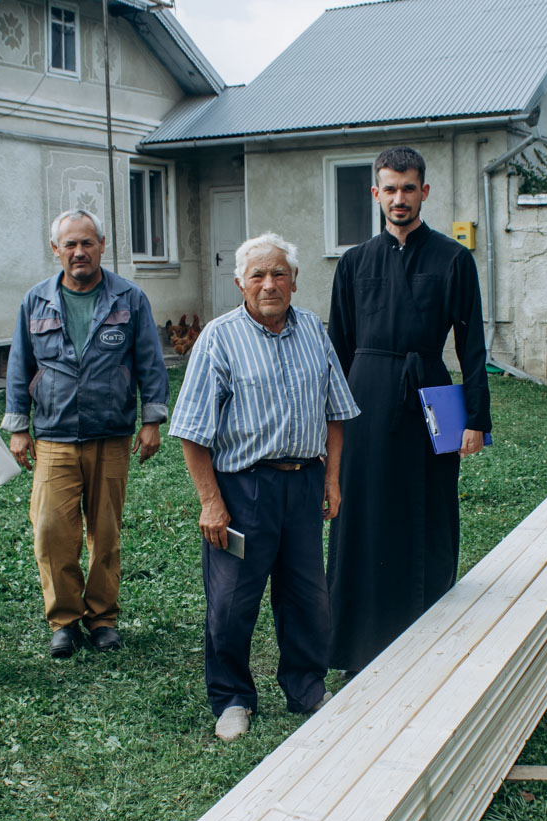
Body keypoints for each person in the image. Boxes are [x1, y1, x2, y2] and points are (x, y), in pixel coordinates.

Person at [170, 234, 360, 741]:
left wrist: (332, 479)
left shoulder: (313, 331)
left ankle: (307, 689)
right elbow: (191, 431)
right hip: (243, 491)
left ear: (295, 280)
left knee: (307, 597)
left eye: (279, 274)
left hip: (304, 484)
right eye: (258, 275)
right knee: (231, 601)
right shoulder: (219, 338)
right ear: (241, 283)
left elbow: (336, 412)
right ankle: (232, 698)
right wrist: (211, 502)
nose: (269, 284)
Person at [326, 146, 491, 676]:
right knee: (363, 510)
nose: (400, 198)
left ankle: (428, 631)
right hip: (364, 398)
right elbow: (339, 347)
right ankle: (355, 642)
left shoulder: (453, 260)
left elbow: (472, 346)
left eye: (409, 188)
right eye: (390, 189)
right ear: (376, 193)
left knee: (428, 507)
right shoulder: (354, 262)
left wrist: (476, 419)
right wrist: (330, 420)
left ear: (424, 192)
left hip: (431, 394)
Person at [3, 209, 170, 659]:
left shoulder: (129, 298)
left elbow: (150, 360)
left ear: (101, 245)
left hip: (110, 434)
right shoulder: (36, 300)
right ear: (55, 249)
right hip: (53, 436)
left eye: (87, 243)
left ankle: (102, 619)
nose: (79, 252)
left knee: (105, 533)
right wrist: (18, 427)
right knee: (51, 532)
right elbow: (20, 365)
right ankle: (64, 621)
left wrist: (151, 420)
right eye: (70, 244)